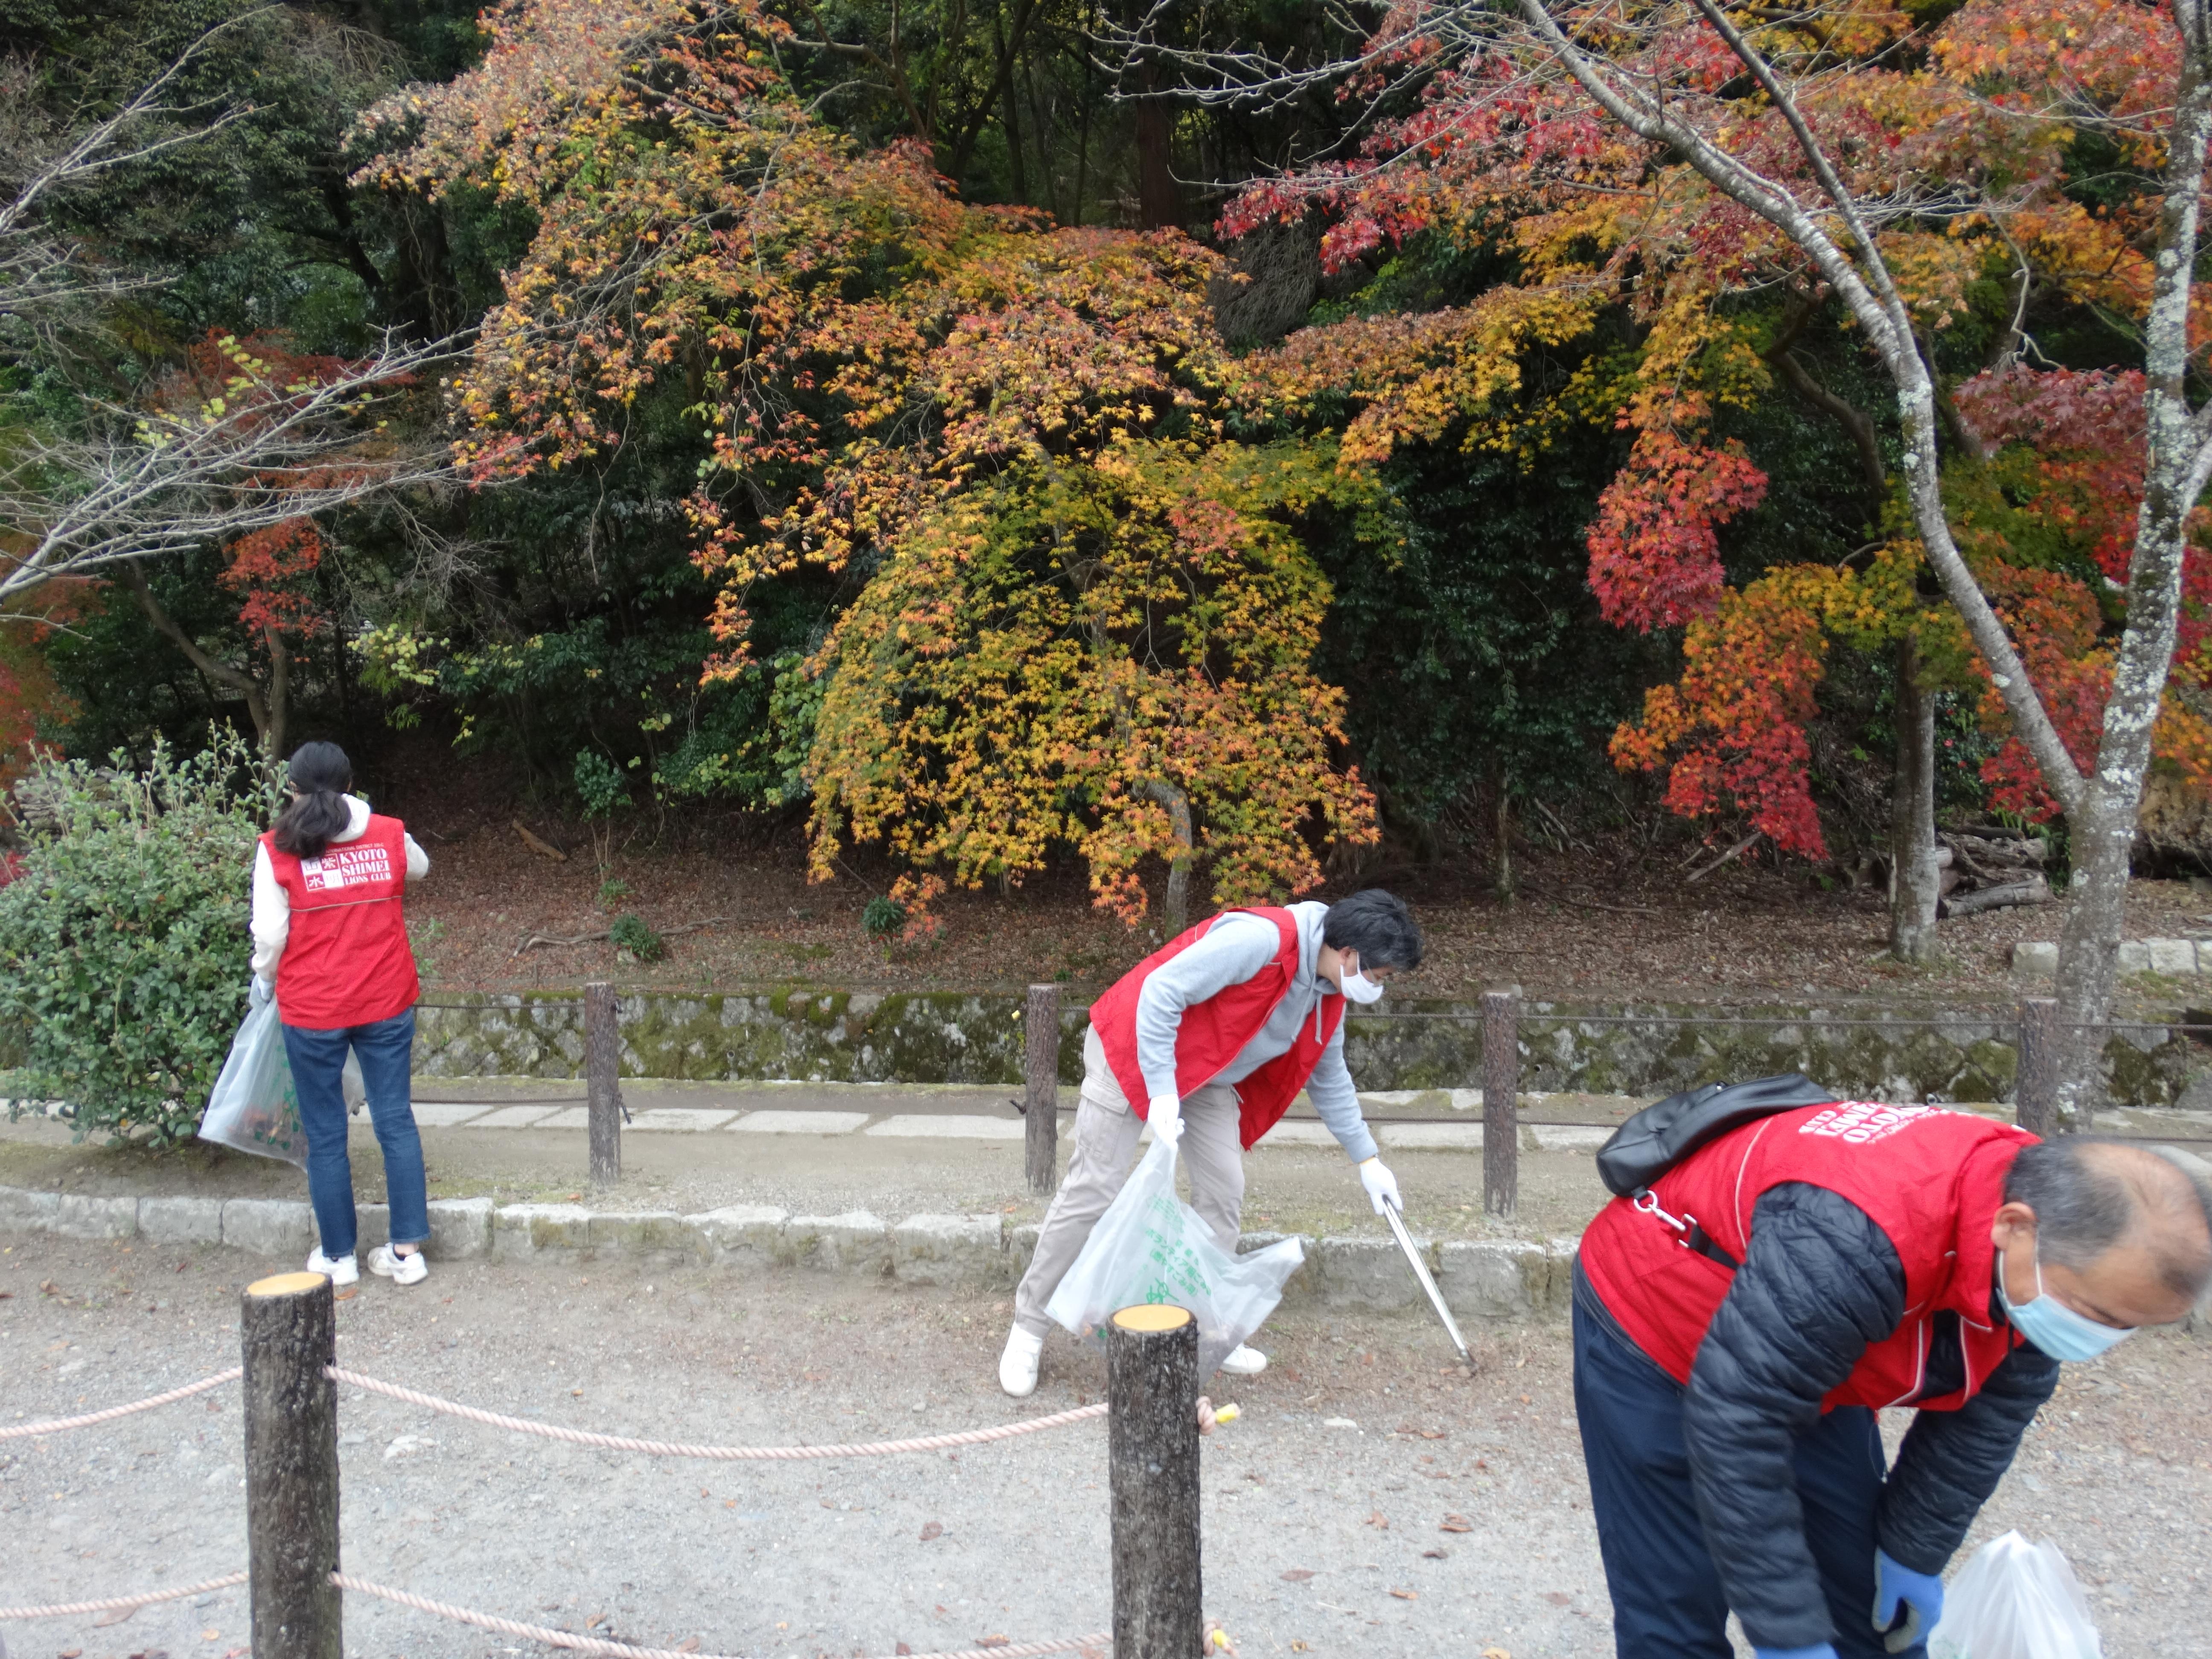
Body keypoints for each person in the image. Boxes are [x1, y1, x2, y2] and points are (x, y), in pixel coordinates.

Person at [1572, 1092, 2212, 1659]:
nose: (2102, 1337)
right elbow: (1739, 1420)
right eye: (2099, 1315)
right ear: (2014, 1227)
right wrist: (1785, 1631)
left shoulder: (2053, 1248)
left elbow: (1991, 1411)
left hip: (1808, 1345)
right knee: (1674, 1608)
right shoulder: (1855, 1235)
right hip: (1656, 1317)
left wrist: (1913, 1548)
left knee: (1872, 1607)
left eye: (2128, 1326)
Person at [998, 889, 1424, 1397]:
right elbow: (1161, 991)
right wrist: (1160, 1091)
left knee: (1223, 1193)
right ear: (1350, 954)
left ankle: (1198, 1331)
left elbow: (1328, 1074)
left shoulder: (1329, 992)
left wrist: (1367, 1159)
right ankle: (1028, 1328)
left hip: (1205, 1076)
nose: (1378, 988)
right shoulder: (1262, 941)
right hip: (1135, 1048)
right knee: (1095, 1188)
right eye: (1380, 977)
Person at [250, 741, 434, 1289]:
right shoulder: (387, 832)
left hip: (313, 1009)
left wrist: (264, 979)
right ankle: (407, 1254)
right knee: (395, 1119)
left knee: (326, 1134)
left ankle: (339, 1257)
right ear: (352, 782)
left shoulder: (277, 846)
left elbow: (269, 936)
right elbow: (419, 868)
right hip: (385, 999)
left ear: (293, 789)